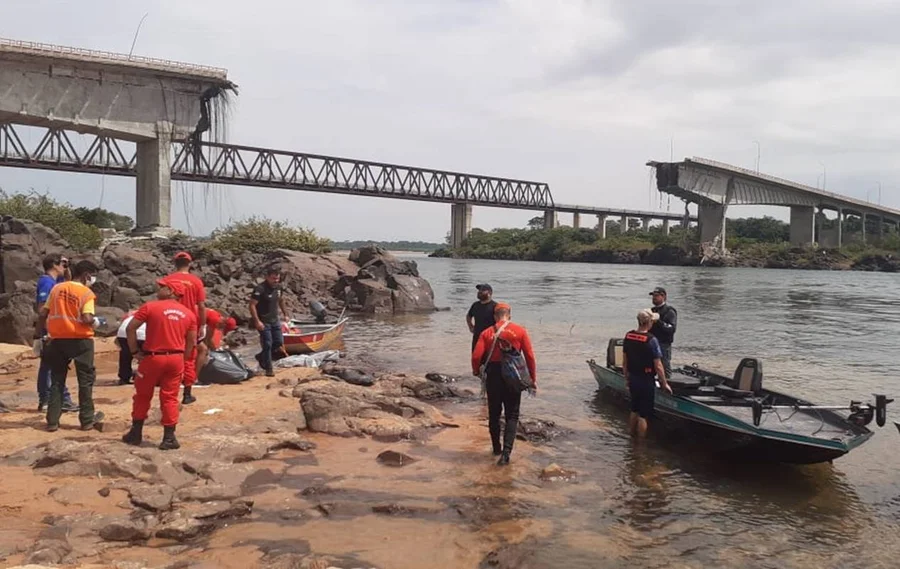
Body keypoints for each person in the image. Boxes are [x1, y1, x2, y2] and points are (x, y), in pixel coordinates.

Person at [121, 278, 198, 450]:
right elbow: (192, 341)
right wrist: (183, 360)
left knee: (142, 395)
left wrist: (134, 352)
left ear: (171, 291)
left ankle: (136, 433)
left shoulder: (150, 307)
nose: (159, 288)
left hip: (153, 358)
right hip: (176, 358)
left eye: (163, 287)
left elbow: (130, 328)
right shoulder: (189, 314)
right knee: (170, 397)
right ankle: (169, 437)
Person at [36, 260, 105, 432]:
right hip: (81, 341)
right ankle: (87, 420)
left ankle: (52, 421)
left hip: (57, 339)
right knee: (85, 381)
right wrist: (97, 322)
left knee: (57, 380)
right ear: (87, 275)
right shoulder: (86, 293)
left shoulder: (56, 289)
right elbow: (87, 318)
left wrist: (37, 337)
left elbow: (43, 313)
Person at [471, 302, 537, 466]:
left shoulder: (487, 333)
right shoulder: (520, 331)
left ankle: (496, 449)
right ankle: (506, 455)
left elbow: (475, 357)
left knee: (494, 413)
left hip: (493, 375)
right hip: (513, 376)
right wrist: (532, 380)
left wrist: (476, 372)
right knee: (512, 415)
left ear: (495, 316)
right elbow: (529, 357)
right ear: (509, 315)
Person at [33, 254, 77, 413]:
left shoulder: (56, 283)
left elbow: (68, 282)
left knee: (56, 365)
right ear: (53, 264)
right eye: (64, 263)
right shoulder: (46, 282)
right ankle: (48, 399)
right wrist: (47, 331)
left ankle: (59, 398)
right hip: (50, 331)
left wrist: (66, 270)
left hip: (55, 330)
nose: (66, 266)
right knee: (50, 366)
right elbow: (42, 309)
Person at [623, 309, 673, 438]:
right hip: (646, 380)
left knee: (634, 409)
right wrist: (664, 383)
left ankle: (630, 436)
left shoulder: (628, 336)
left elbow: (625, 362)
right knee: (643, 414)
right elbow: (658, 365)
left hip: (633, 377)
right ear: (649, 322)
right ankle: (640, 446)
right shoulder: (651, 340)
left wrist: (626, 379)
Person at [164, 251, 206, 405]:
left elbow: (160, 300)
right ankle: (187, 393)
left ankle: (169, 391)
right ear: (190, 263)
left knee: (169, 354)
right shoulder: (196, 281)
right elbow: (201, 306)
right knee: (189, 356)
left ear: (175, 263)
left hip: (169, 320)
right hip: (189, 322)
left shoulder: (166, 280)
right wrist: (202, 325)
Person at [249, 267, 288, 377]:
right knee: (267, 344)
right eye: (273, 278)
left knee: (278, 342)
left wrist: (286, 314)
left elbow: (281, 301)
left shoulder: (279, 288)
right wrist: (257, 321)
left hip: (275, 320)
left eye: (277, 278)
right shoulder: (260, 289)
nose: (275, 281)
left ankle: (261, 357)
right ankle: (269, 369)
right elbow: (252, 305)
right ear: (267, 277)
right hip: (263, 321)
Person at [649, 287, 677, 378]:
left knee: (664, 366)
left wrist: (658, 321)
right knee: (650, 365)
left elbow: (671, 329)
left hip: (663, 344)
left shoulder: (669, 311)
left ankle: (668, 386)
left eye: (656, 296)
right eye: (653, 296)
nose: (654, 298)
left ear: (663, 296)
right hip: (651, 342)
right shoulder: (651, 310)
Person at [115, 310, 146, 385]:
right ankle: (144, 376)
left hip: (122, 333)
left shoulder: (132, 313)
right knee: (146, 356)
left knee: (125, 355)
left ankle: (124, 377)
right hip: (141, 334)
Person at [466, 283, 497, 352]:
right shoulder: (475, 305)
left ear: (490, 292)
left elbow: (500, 322)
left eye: (482, 290)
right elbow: (468, 316)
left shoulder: (495, 306)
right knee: (475, 359)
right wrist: (470, 326)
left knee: (490, 360)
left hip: (490, 339)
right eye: (479, 290)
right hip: (477, 337)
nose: (479, 291)